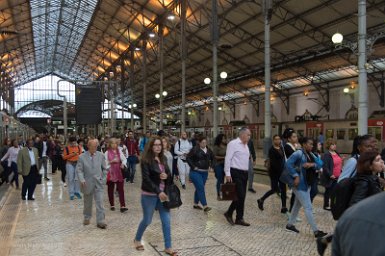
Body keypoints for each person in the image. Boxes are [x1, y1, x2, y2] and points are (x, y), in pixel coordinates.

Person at [134, 137, 177, 256]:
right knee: (147, 220)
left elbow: (168, 174)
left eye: (160, 145)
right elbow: (146, 179)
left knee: (166, 221)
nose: (158, 147)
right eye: (155, 145)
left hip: (163, 195)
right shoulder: (146, 160)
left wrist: (166, 176)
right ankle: (137, 239)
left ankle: (168, 247)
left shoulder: (163, 158)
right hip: (149, 195)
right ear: (151, 147)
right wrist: (159, 191)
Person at [285, 137, 327, 238]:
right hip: (299, 184)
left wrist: (311, 164)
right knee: (308, 207)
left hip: (307, 183)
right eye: (310, 144)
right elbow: (288, 164)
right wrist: (295, 175)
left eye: (312, 144)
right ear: (304, 144)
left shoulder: (311, 154)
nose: (312, 146)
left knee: (297, 205)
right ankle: (316, 231)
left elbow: (320, 164)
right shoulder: (298, 153)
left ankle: (290, 225)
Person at [77, 138, 108, 229]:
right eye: (93, 146)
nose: (95, 148)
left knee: (100, 202)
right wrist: (82, 179)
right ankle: (87, 217)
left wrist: (103, 179)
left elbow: (105, 169)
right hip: (86, 183)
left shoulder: (101, 155)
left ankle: (100, 221)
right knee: (87, 202)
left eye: (96, 146)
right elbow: (79, 170)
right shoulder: (81, 157)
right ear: (88, 146)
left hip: (98, 183)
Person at [223, 128, 251, 227]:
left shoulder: (246, 145)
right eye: (248, 135)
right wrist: (227, 173)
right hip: (236, 172)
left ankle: (239, 218)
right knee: (240, 195)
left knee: (242, 196)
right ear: (243, 134)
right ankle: (229, 213)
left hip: (244, 173)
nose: (249, 137)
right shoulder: (233, 144)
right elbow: (228, 158)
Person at [257, 135, 287, 213]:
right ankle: (261, 199)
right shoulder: (272, 150)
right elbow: (274, 163)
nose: (278, 141)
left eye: (279, 139)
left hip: (281, 173)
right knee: (274, 189)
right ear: (273, 141)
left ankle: (284, 207)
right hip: (274, 173)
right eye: (276, 139)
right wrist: (281, 170)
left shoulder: (281, 148)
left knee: (283, 190)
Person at [186, 136, 214, 212]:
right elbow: (188, 158)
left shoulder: (209, 150)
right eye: (202, 143)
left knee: (199, 188)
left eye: (205, 142)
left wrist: (211, 166)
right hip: (195, 172)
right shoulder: (195, 149)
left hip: (205, 172)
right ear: (199, 142)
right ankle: (205, 206)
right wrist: (193, 166)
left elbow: (213, 158)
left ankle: (195, 204)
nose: (204, 144)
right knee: (201, 187)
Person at [105, 138, 128, 213]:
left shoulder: (119, 151)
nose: (114, 145)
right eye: (112, 143)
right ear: (110, 144)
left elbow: (124, 159)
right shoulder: (106, 153)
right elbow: (105, 164)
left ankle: (123, 206)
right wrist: (111, 161)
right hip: (111, 173)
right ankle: (112, 204)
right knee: (110, 189)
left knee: (121, 189)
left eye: (115, 143)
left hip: (118, 172)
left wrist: (123, 164)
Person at [320, 139, 342, 210]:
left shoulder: (337, 153)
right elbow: (325, 166)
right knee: (329, 191)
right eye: (332, 144)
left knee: (335, 192)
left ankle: (333, 205)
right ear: (329, 146)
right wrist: (330, 175)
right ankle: (326, 205)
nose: (335, 145)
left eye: (335, 144)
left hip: (338, 176)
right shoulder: (326, 155)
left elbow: (338, 163)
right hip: (330, 177)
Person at [282, 128, 299, 214]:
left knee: (295, 193)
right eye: (294, 137)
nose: (296, 138)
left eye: (296, 136)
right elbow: (296, 157)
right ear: (289, 139)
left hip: (294, 171)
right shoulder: (287, 147)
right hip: (291, 172)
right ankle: (291, 211)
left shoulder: (294, 146)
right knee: (294, 193)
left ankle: (292, 211)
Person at [213, 134, 227, 200]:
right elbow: (214, 156)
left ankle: (223, 193)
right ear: (220, 139)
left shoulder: (226, 146)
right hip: (218, 164)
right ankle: (218, 194)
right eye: (223, 138)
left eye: (225, 138)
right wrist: (224, 157)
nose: (225, 140)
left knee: (223, 180)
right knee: (220, 179)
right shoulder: (216, 147)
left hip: (225, 165)